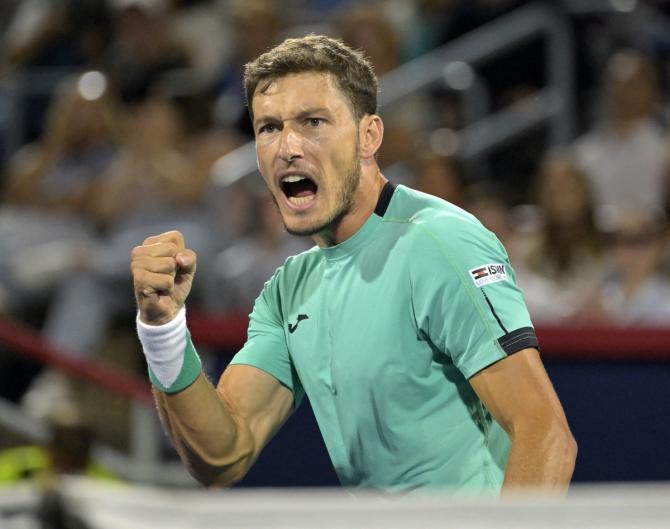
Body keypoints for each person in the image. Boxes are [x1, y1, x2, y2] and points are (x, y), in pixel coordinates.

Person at [131, 35, 576, 494]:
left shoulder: (440, 241)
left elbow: (545, 435)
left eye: (313, 122)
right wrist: (163, 329)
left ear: (369, 136)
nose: (288, 147)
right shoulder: (289, 290)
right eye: (268, 128)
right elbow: (223, 456)